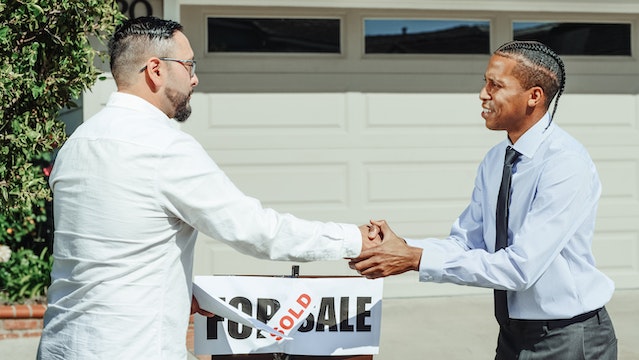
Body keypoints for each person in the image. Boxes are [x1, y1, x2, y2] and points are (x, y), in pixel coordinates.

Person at [37, 16, 379, 360]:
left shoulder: (77, 143)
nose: (195, 77)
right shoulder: (163, 147)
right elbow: (258, 231)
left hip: (60, 346)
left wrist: (179, 292)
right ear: (156, 69)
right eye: (189, 65)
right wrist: (357, 239)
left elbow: (103, 252)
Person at [350, 40, 617, 359]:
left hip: (569, 338)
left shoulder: (565, 163)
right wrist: (401, 248)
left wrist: (414, 258)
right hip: (513, 334)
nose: (483, 93)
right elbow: (466, 241)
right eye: (485, 82)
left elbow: (520, 268)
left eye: (496, 85)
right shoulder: (496, 159)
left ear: (534, 96)